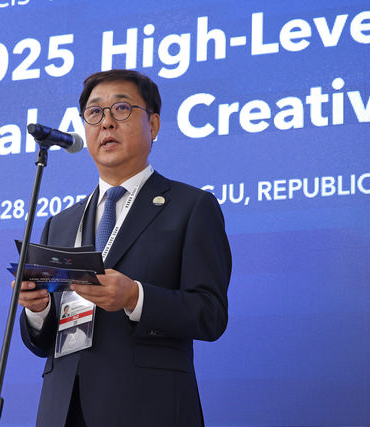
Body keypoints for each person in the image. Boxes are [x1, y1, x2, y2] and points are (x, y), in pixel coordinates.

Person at [14, 69, 231, 427]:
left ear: (154, 125)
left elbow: (210, 314)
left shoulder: (191, 207)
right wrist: (38, 309)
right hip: (63, 410)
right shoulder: (60, 223)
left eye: (122, 109)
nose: (107, 122)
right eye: (94, 112)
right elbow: (43, 341)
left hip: (148, 408)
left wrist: (134, 297)